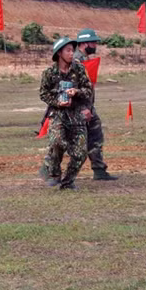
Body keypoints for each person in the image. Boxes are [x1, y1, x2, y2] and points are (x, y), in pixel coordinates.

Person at [39, 37, 93, 190]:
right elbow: (43, 94)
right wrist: (57, 102)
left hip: (76, 115)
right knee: (57, 142)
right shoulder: (49, 73)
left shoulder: (79, 69)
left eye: (72, 50)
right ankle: (54, 172)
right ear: (59, 53)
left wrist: (76, 92)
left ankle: (68, 182)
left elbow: (88, 91)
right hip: (58, 114)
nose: (71, 54)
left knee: (81, 153)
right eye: (68, 51)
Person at [72, 28, 117, 181]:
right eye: (93, 42)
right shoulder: (76, 61)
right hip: (78, 108)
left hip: (88, 106)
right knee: (70, 142)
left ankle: (99, 170)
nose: (95, 45)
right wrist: (83, 108)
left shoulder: (84, 59)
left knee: (95, 136)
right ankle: (52, 170)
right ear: (84, 43)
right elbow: (74, 87)